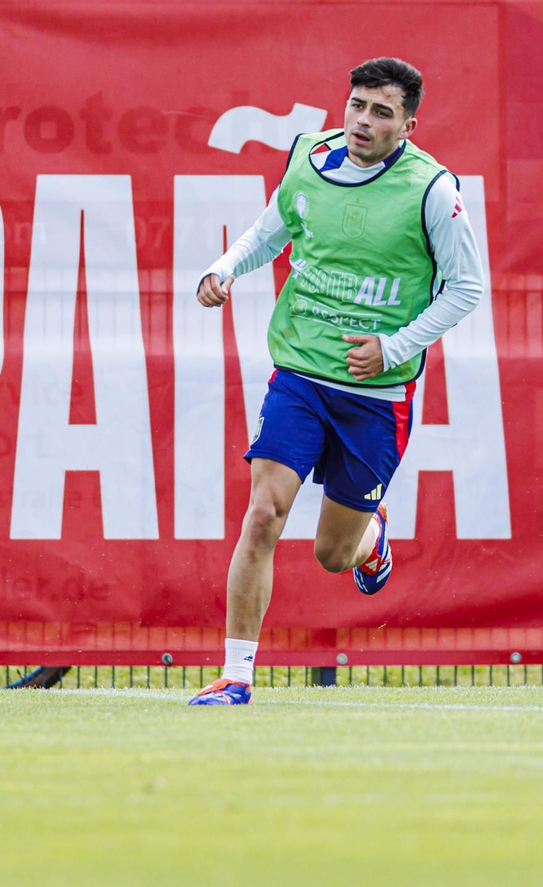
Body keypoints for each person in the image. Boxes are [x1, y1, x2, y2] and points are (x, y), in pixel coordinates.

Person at [188, 57, 485, 705]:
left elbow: (467, 288)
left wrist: (394, 347)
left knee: (331, 552)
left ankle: (372, 535)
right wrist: (227, 267)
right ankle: (236, 675)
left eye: (382, 112)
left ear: (408, 123)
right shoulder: (308, 155)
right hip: (300, 369)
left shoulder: (432, 189)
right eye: (357, 105)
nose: (364, 121)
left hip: (376, 393)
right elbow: (273, 232)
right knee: (263, 513)